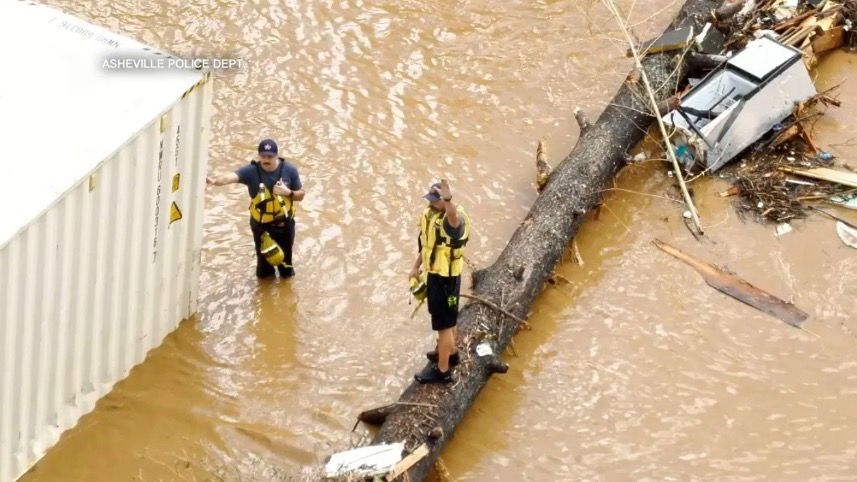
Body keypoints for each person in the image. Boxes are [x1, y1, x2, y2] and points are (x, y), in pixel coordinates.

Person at [207, 139, 305, 279]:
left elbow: (301, 195)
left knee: (286, 267)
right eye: (263, 156)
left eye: (270, 156)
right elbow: (230, 177)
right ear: (259, 156)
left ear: (276, 156)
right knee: (264, 271)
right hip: (261, 227)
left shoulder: (290, 170)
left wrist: (287, 192)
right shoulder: (251, 171)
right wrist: (215, 181)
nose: (266, 160)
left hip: (284, 226)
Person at [410, 179, 470, 384]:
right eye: (431, 200)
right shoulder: (431, 215)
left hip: (446, 278)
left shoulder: (452, 218)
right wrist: (415, 266)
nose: (431, 204)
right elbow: (426, 246)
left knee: (443, 325)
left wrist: (448, 199)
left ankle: (442, 371)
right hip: (436, 274)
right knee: (448, 320)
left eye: (436, 201)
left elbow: (453, 219)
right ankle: (451, 353)